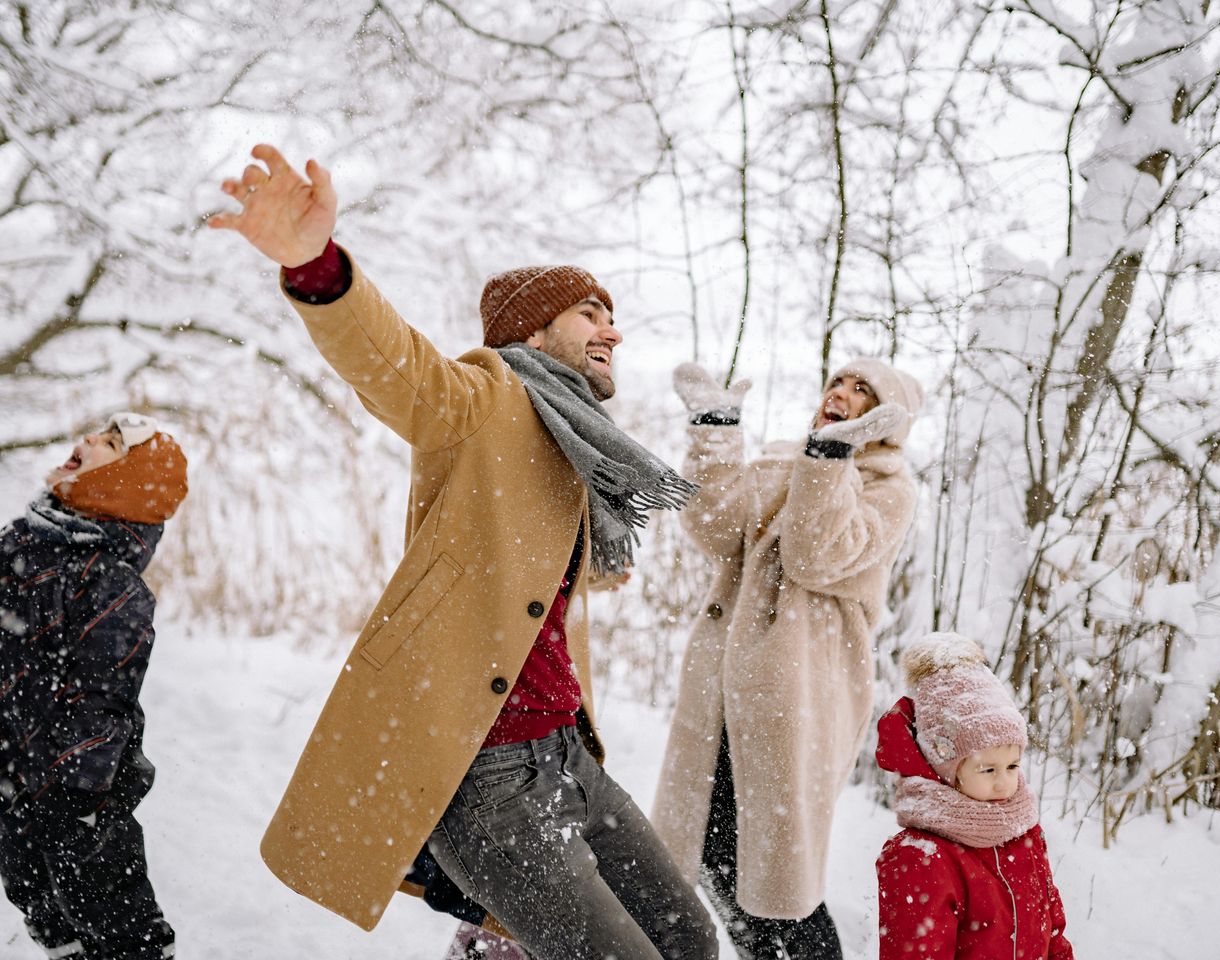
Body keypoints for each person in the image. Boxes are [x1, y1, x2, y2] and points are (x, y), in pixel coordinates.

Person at [209, 144, 717, 960]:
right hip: (487, 775)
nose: (611, 330)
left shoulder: (577, 443)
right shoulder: (485, 399)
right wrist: (317, 268)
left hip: (567, 756)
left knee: (689, 936)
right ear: (533, 329)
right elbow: (395, 366)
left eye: (609, 314)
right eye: (589, 312)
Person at [651, 358, 922, 958]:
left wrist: (830, 463)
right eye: (839, 383)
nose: (842, 394)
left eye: (864, 392)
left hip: (797, 699)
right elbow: (716, 528)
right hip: (723, 695)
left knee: (778, 884)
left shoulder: (889, 489)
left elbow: (813, 556)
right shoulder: (782, 457)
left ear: (888, 422)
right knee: (715, 859)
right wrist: (716, 431)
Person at [0, 413, 188, 960]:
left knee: (108, 903)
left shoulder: (111, 583)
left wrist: (75, 795)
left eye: (108, 443)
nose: (84, 440)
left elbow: (104, 698)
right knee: (34, 894)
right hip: (14, 768)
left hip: (81, 789)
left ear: (126, 482)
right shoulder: (21, 543)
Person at [875, 632, 1074, 959]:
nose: (1003, 784)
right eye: (988, 770)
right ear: (947, 770)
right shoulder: (922, 856)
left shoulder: (1023, 834)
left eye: (1012, 766)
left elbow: (1053, 932)